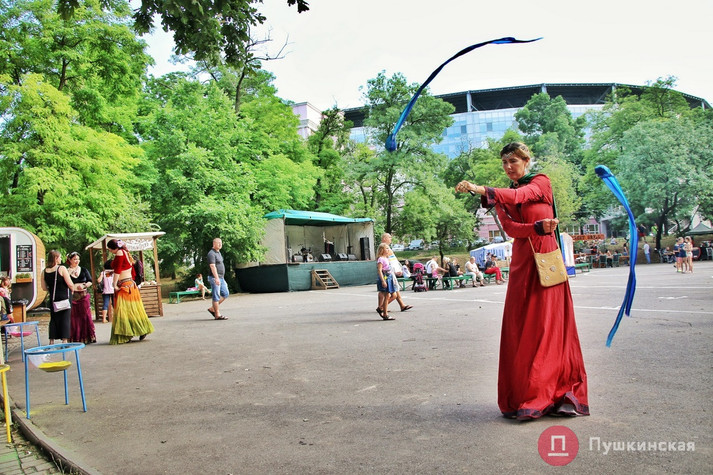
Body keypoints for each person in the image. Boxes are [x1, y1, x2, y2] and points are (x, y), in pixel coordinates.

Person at [456, 142, 589, 420]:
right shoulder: (503, 196)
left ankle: (561, 393)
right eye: (504, 163)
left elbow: (521, 196)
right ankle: (527, 393)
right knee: (522, 328)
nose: (508, 167)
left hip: (547, 260)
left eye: (513, 161)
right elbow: (511, 228)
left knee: (551, 325)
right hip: (523, 263)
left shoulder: (541, 182)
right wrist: (535, 228)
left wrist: (480, 189)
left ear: (526, 161)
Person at [107, 239, 154, 343]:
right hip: (130, 285)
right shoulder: (125, 252)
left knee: (123, 311)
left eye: (110, 249)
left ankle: (126, 334)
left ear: (114, 248)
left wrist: (114, 284)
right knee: (133, 310)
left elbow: (118, 270)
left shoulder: (119, 253)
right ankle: (140, 329)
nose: (110, 251)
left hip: (125, 286)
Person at [41, 250, 77, 344]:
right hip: (64, 296)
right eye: (60, 257)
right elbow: (70, 283)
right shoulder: (61, 268)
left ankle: (51, 340)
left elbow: (44, 287)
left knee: (53, 319)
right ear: (56, 258)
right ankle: (64, 340)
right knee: (65, 318)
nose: (61, 259)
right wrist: (72, 289)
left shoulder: (44, 271)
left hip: (53, 298)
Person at [66, 252, 96, 344]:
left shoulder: (83, 270)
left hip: (83, 295)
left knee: (85, 315)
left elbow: (90, 281)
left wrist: (84, 285)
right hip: (72, 296)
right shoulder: (66, 271)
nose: (77, 261)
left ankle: (87, 337)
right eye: (75, 259)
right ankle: (75, 338)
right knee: (73, 317)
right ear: (70, 260)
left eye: (78, 259)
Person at [379, 234, 413, 313]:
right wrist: (395, 270)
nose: (391, 239)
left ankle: (400, 305)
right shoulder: (384, 249)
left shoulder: (387, 248)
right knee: (389, 291)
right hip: (388, 273)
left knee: (391, 290)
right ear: (384, 238)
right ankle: (382, 307)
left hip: (390, 272)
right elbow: (389, 262)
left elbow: (393, 260)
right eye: (389, 237)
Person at [207, 238, 229, 320]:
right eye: (218, 243)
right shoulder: (211, 253)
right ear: (214, 244)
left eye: (221, 243)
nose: (220, 244)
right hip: (214, 278)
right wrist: (216, 278)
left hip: (221, 278)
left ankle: (213, 308)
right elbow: (212, 266)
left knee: (225, 293)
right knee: (216, 295)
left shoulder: (218, 253)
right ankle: (217, 315)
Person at [375, 243, 396, 320]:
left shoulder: (386, 258)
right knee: (387, 296)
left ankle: (381, 308)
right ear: (382, 250)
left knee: (394, 295)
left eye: (388, 248)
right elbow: (379, 270)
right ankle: (385, 314)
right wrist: (383, 281)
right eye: (386, 248)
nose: (388, 250)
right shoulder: (381, 259)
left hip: (389, 277)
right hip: (385, 277)